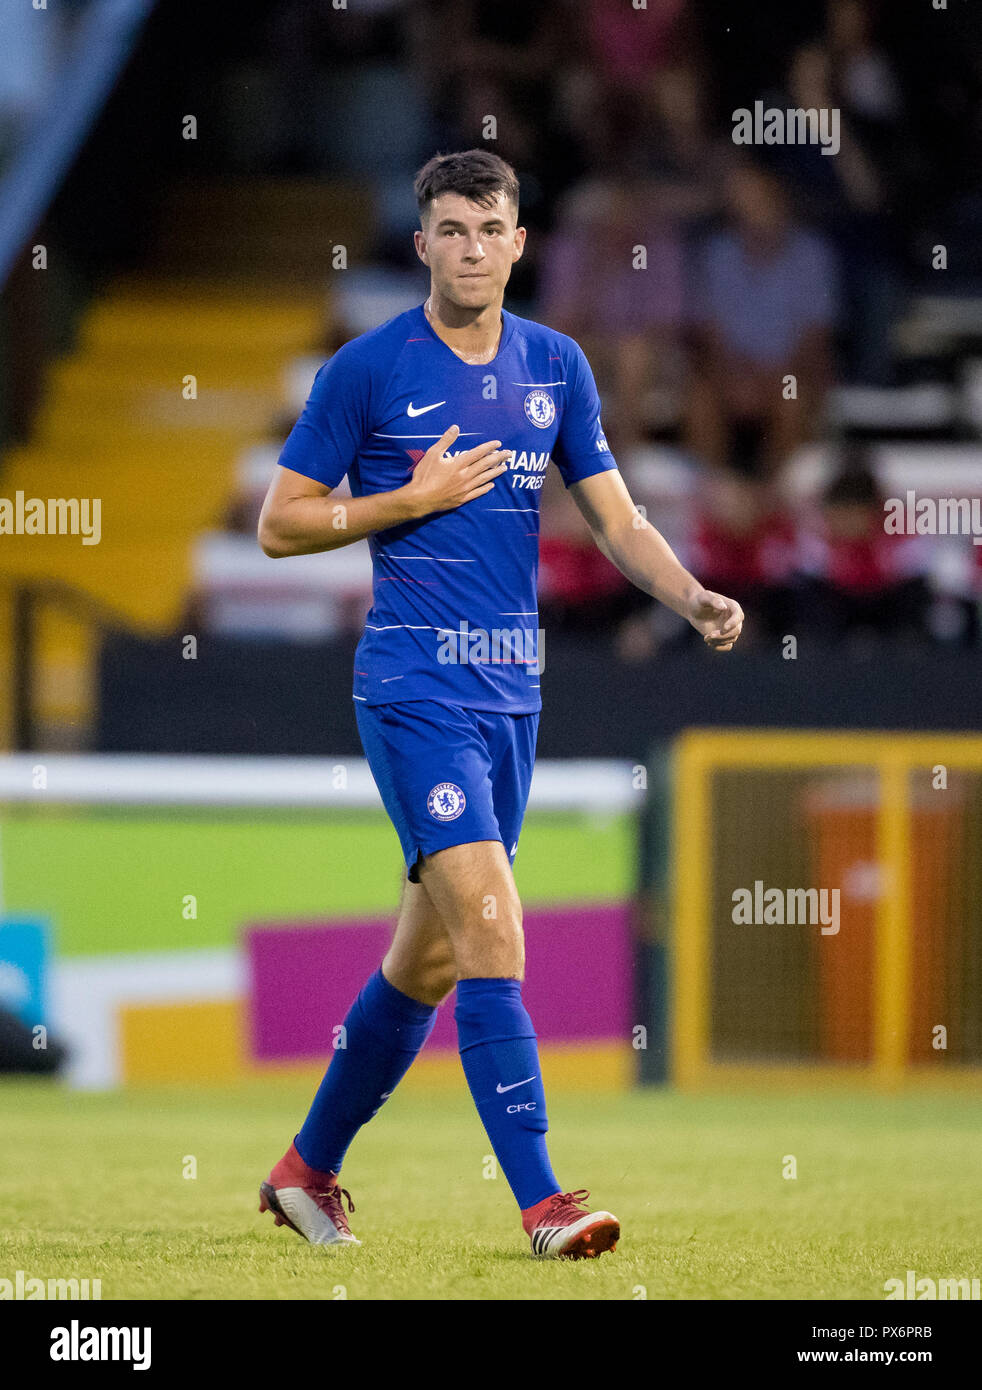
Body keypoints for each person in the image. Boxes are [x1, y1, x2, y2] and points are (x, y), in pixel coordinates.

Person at [256, 149, 744, 1259]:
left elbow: (615, 517)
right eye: (449, 229)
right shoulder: (367, 371)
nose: (471, 248)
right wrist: (407, 498)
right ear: (420, 242)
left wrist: (691, 596)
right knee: (491, 931)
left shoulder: (556, 364)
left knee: (425, 963)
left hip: (511, 696)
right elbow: (280, 524)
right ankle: (544, 1203)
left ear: (520, 243)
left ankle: (306, 1169)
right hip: (413, 683)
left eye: (490, 228)